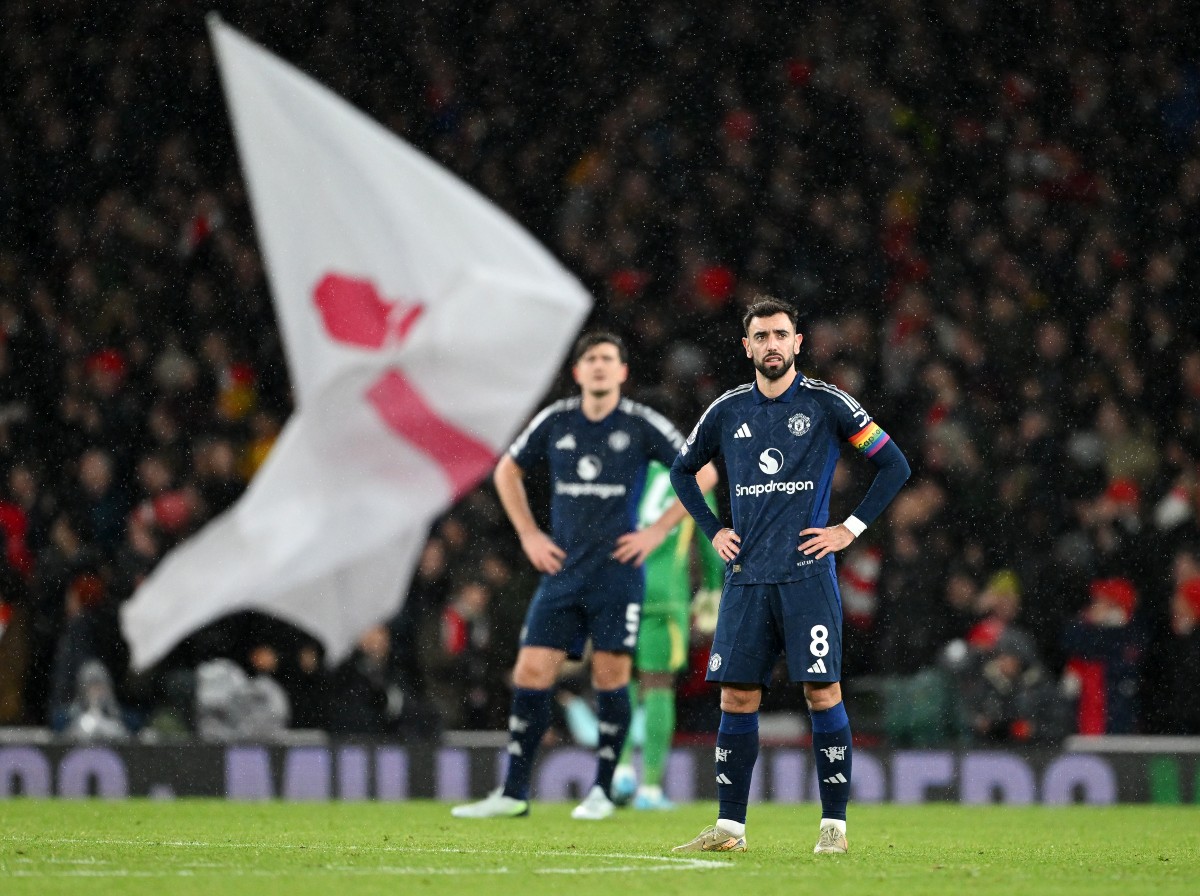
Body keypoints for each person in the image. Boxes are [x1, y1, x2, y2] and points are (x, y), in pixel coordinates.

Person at [669, 297, 910, 854]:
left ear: (798, 343)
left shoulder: (829, 405)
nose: (772, 344)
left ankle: (834, 828)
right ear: (747, 345)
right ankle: (730, 829)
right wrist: (711, 529)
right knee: (735, 699)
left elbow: (894, 463)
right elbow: (684, 471)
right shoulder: (726, 411)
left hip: (807, 576)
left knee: (823, 693)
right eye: (762, 336)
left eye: (782, 334)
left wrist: (848, 528)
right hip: (747, 578)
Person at [451, 331, 717, 821]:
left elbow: (703, 473)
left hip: (618, 574)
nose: (598, 366)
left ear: (621, 372)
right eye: (590, 359)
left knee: (611, 676)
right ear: (578, 372)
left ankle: (600, 791)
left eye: (608, 360)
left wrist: (656, 533)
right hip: (563, 574)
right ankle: (513, 793)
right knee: (531, 671)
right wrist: (530, 535)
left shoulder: (640, 423)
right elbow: (506, 471)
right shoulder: (557, 420)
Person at [611, 459, 725, 810]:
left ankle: (620, 767)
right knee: (657, 684)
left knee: (623, 679)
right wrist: (711, 588)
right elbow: (710, 543)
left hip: (620, 588)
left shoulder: (629, 467)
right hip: (664, 593)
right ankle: (649, 788)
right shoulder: (694, 476)